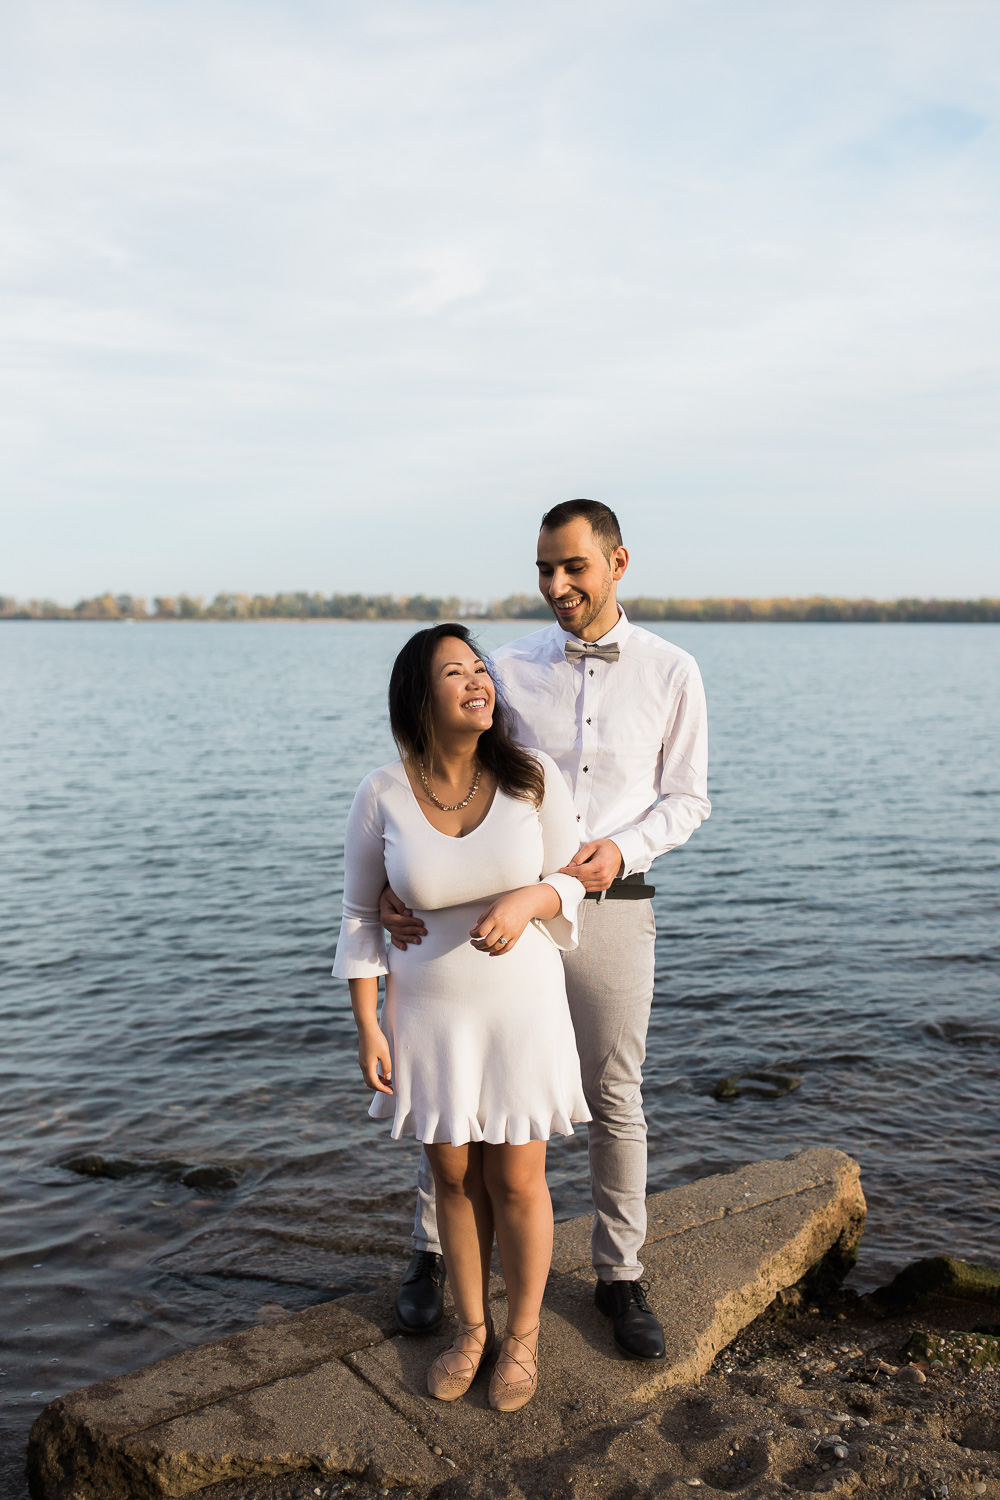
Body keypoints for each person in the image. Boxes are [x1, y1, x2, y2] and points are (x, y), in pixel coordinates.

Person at [384, 500, 711, 1361]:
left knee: (614, 1096)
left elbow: (688, 798)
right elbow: (441, 757)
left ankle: (619, 1275)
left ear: (618, 563)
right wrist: (393, 877)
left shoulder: (674, 670)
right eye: (542, 570)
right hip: (503, 917)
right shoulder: (511, 666)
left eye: (573, 567)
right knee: (460, 1089)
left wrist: (622, 847)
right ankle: (430, 1255)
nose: (556, 585)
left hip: (614, 906)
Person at [333, 623, 591, 1411]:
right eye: (456, 671)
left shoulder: (533, 778)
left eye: (481, 668)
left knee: (516, 1176)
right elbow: (357, 917)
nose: (479, 679)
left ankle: (524, 1338)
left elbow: (577, 881)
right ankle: (473, 1328)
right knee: (450, 1170)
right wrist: (368, 1024)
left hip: (522, 1005)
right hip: (428, 1011)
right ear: (420, 695)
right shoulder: (381, 792)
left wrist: (527, 898)